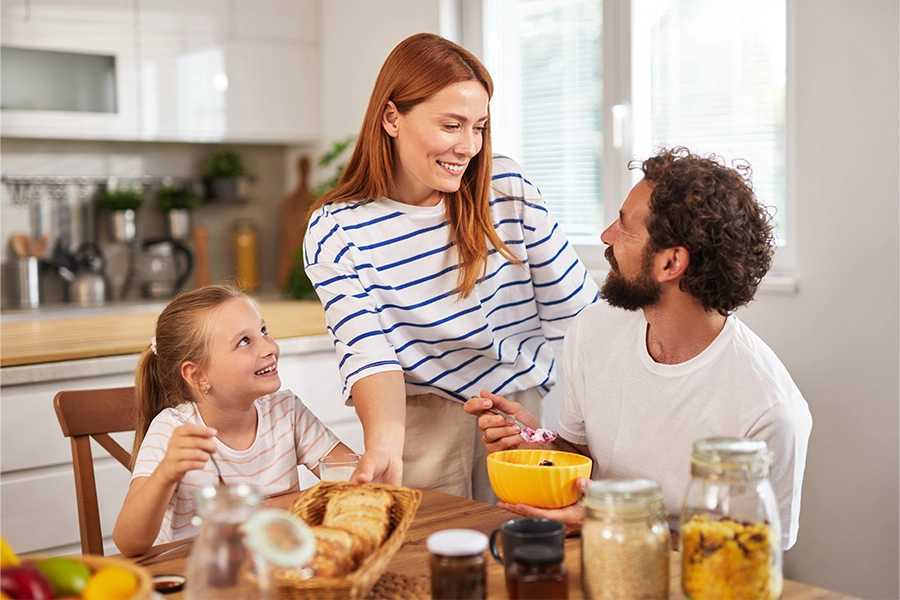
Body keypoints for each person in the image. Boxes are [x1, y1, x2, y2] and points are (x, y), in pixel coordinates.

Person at [466, 147, 812, 550]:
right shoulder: (593, 330)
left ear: (670, 263)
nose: (606, 236)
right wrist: (533, 441)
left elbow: (745, 558)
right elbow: (580, 458)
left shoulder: (769, 410)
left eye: (625, 227)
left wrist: (612, 518)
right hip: (594, 559)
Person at [303, 32, 598, 502]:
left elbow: (583, 314)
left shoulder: (507, 188)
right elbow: (367, 352)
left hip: (514, 415)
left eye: (479, 126)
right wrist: (383, 445)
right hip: (415, 425)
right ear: (391, 117)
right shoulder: (338, 229)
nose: (469, 146)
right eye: (451, 125)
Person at [112, 285, 356, 557]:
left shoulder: (287, 412)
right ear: (198, 376)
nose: (269, 347)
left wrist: (252, 513)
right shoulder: (173, 431)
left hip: (277, 566)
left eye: (263, 331)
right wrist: (166, 473)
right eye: (244, 341)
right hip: (204, 577)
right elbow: (129, 542)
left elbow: (353, 486)